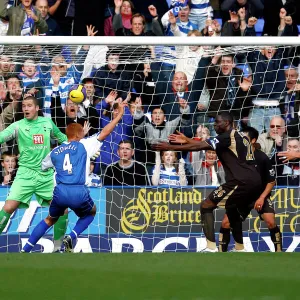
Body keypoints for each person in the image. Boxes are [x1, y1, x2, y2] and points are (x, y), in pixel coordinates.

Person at [22, 103, 126, 253]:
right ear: (79, 135)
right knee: (91, 212)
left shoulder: (56, 150)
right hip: (78, 191)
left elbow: (43, 166)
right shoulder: (84, 145)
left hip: (60, 191)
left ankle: (25, 249)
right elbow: (104, 132)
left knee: (50, 219)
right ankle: (71, 236)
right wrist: (119, 115)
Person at [153, 112, 262, 252]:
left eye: (217, 122)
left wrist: (170, 147)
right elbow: (205, 144)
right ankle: (240, 248)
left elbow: (198, 147)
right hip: (254, 181)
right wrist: (187, 139)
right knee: (232, 210)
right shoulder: (241, 136)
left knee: (206, 206)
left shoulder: (226, 137)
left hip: (240, 182)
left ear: (227, 123)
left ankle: (211, 247)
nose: (215, 125)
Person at [0, 96, 68, 252]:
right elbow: (2, 136)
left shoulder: (47, 123)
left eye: (29, 106)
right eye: (23, 106)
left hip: (45, 175)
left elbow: (62, 139)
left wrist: (78, 143)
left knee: (62, 209)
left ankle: (58, 246)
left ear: (37, 108)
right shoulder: (18, 126)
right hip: (25, 174)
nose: (25, 108)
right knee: (9, 207)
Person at [219, 126, 282, 252]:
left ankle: (279, 251)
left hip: (260, 195)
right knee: (226, 223)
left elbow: (271, 181)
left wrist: (262, 198)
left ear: (253, 140)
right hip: (242, 195)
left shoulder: (262, 157)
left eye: (244, 137)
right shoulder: (235, 156)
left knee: (270, 221)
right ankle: (221, 252)